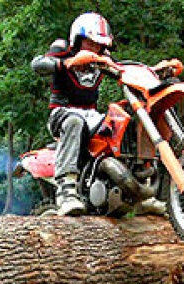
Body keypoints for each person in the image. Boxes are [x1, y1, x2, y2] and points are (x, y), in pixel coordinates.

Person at [31, 12, 113, 216]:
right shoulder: (62, 49)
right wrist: (65, 63)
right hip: (62, 113)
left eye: (98, 44)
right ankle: (66, 190)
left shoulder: (103, 59)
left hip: (92, 116)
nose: (94, 48)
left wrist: (154, 72)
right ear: (77, 39)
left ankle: (139, 186)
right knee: (75, 122)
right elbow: (38, 64)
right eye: (90, 42)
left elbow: (123, 69)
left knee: (120, 122)